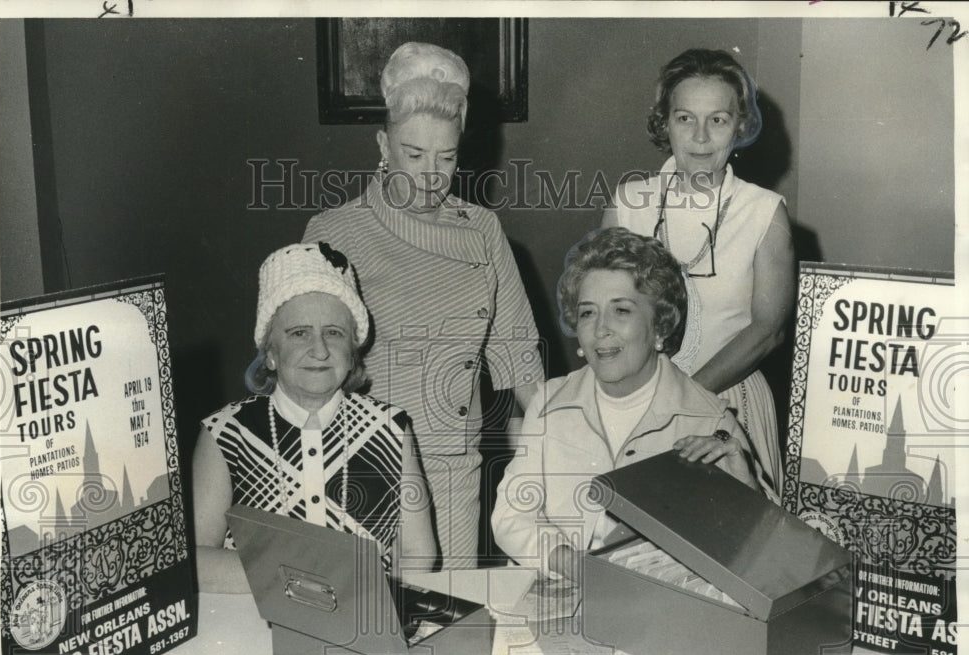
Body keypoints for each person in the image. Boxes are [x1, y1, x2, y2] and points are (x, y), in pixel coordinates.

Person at [303, 41, 542, 570]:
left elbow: (519, 353)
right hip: (362, 464)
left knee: (445, 621)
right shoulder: (334, 231)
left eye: (447, 157)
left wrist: (564, 445)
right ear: (383, 145)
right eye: (414, 155)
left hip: (457, 468)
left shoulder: (482, 230)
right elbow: (310, 367)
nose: (432, 176)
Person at [492, 227, 768, 581]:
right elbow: (511, 516)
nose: (600, 329)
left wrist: (747, 490)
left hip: (659, 611)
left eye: (621, 310)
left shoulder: (708, 419)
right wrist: (567, 562)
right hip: (555, 594)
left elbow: (759, 557)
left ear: (659, 328)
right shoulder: (548, 404)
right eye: (588, 313)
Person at [193, 242, 438, 593]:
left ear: (353, 353)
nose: (320, 349)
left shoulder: (390, 427)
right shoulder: (224, 433)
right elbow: (198, 560)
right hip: (254, 619)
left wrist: (377, 614)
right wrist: (300, 580)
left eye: (334, 333)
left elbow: (417, 552)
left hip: (363, 623)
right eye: (299, 333)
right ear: (271, 353)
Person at [602, 48, 794, 495]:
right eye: (686, 118)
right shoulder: (628, 204)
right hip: (635, 404)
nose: (701, 137)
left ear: (740, 126)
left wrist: (680, 398)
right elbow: (602, 312)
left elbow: (768, 330)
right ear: (664, 123)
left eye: (719, 120)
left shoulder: (764, 213)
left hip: (729, 404)